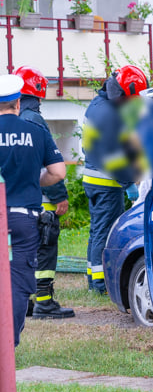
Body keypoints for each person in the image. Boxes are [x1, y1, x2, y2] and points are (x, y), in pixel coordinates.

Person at [0, 74, 66, 346]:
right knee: (18, 283)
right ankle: (8, 345)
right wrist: (33, 180)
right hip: (23, 219)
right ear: (18, 103)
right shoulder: (35, 131)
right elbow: (58, 172)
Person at [14, 66, 74, 319]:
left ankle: (24, 300)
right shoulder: (35, 120)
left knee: (21, 251)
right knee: (45, 247)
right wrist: (59, 195)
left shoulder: (12, 116)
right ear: (37, 90)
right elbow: (49, 163)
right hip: (43, 198)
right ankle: (45, 302)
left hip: (18, 199)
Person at [82, 65, 147, 294]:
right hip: (106, 182)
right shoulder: (109, 113)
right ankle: (100, 285)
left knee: (96, 232)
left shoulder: (97, 105)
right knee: (105, 232)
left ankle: (93, 279)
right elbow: (113, 157)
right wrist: (129, 182)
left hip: (92, 178)